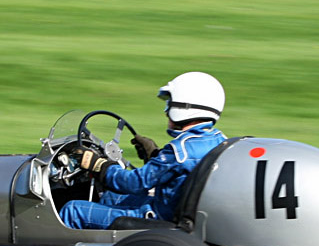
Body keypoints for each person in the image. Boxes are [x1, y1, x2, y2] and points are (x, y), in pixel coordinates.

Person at [59, 71, 227, 230]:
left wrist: (100, 166)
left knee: (73, 210)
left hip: (157, 216)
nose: (166, 112)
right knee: (110, 196)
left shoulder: (179, 150)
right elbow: (178, 170)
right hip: (177, 209)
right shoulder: (220, 140)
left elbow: (134, 183)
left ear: (185, 107)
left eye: (170, 104)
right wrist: (155, 155)